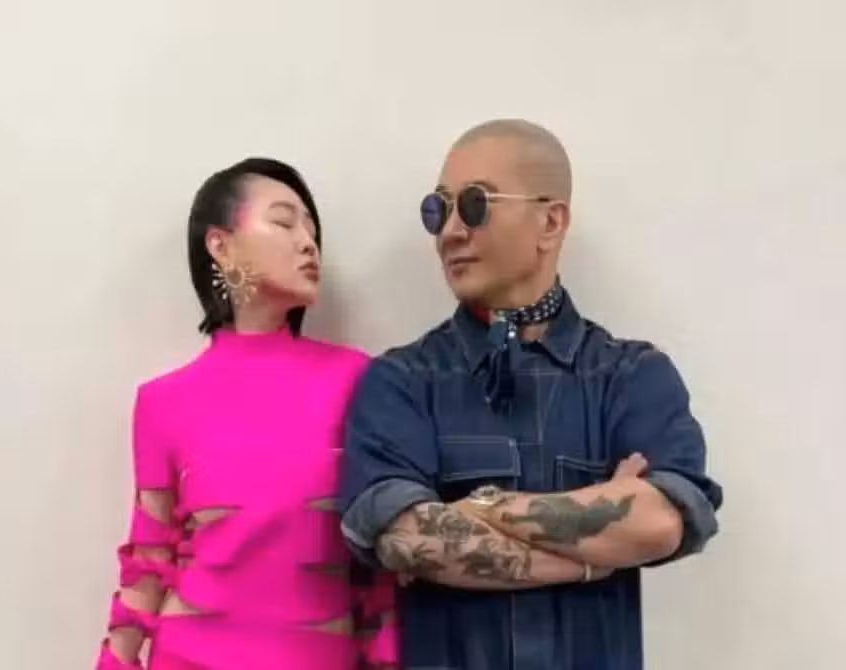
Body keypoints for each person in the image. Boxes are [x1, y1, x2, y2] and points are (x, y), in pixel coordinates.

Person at [339, 120, 723, 670]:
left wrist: (479, 507)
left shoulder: (631, 376)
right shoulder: (401, 380)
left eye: (475, 204)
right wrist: (592, 556)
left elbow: (662, 521)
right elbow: (404, 538)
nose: (450, 231)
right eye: (437, 209)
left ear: (550, 220)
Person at [95, 158, 397, 670]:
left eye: (312, 230)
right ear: (220, 244)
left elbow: (378, 563)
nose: (308, 243)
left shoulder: (357, 379)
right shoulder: (162, 402)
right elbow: (148, 562)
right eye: (284, 222)